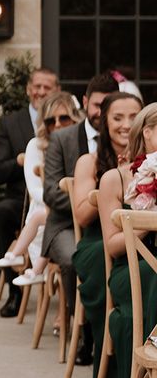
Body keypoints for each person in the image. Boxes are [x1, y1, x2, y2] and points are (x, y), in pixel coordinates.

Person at [42, 72, 119, 363]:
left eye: (107, 106)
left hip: (111, 225)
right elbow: (51, 191)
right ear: (85, 102)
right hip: (64, 224)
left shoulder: (123, 136)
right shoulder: (62, 138)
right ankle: (84, 332)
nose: (101, 112)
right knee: (75, 257)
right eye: (97, 105)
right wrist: (91, 201)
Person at [72, 91, 142, 378]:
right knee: (107, 268)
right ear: (104, 123)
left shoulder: (150, 159)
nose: (126, 125)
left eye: (133, 118)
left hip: (141, 243)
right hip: (98, 240)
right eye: (117, 118)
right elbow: (81, 216)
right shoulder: (91, 161)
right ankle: (103, 343)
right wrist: (113, 182)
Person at [0, 91, 82, 286]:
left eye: (64, 118)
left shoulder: (83, 144)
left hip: (76, 210)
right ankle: (25, 263)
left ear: (75, 118)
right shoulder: (36, 146)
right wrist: (65, 201)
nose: (57, 124)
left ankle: (31, 267)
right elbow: (35, 191)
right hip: (49, 206)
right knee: (45, 217)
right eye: (51, 120)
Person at [97, 102, 157, 378]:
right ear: (147, 133)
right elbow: (112, 246)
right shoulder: (115, 178)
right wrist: (148, 217)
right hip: (129, 271)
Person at [0, 67, 59, 317]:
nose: (40, 92)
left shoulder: (63, 119)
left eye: (47, 87)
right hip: (19, 197)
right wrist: (20, 161)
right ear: (28, 89)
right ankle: (14, 291)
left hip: (51, 197)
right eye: (37, 86)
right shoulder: (10, 122)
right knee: (0, 213)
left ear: (56, 91)